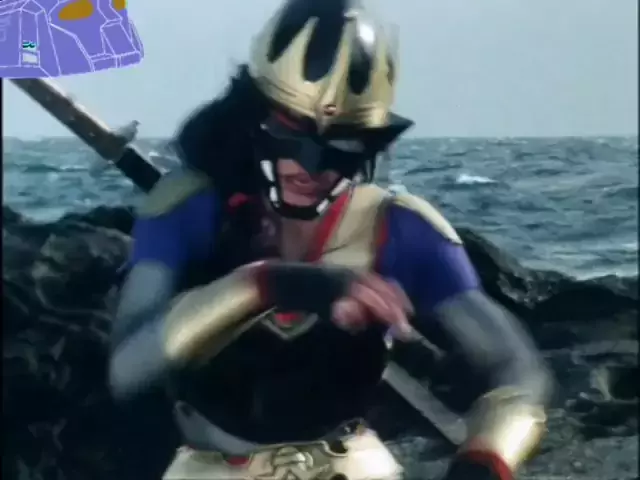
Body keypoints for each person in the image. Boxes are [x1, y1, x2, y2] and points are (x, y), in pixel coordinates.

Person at [109, 0, 552, 479]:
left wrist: (488, 456)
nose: (312, 169)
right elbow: (129, 368)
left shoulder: (398, 228)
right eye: (292, 138)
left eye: (343, 146)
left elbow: (516, 367)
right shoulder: (190, 210)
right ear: (253, 119)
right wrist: (268, 285)